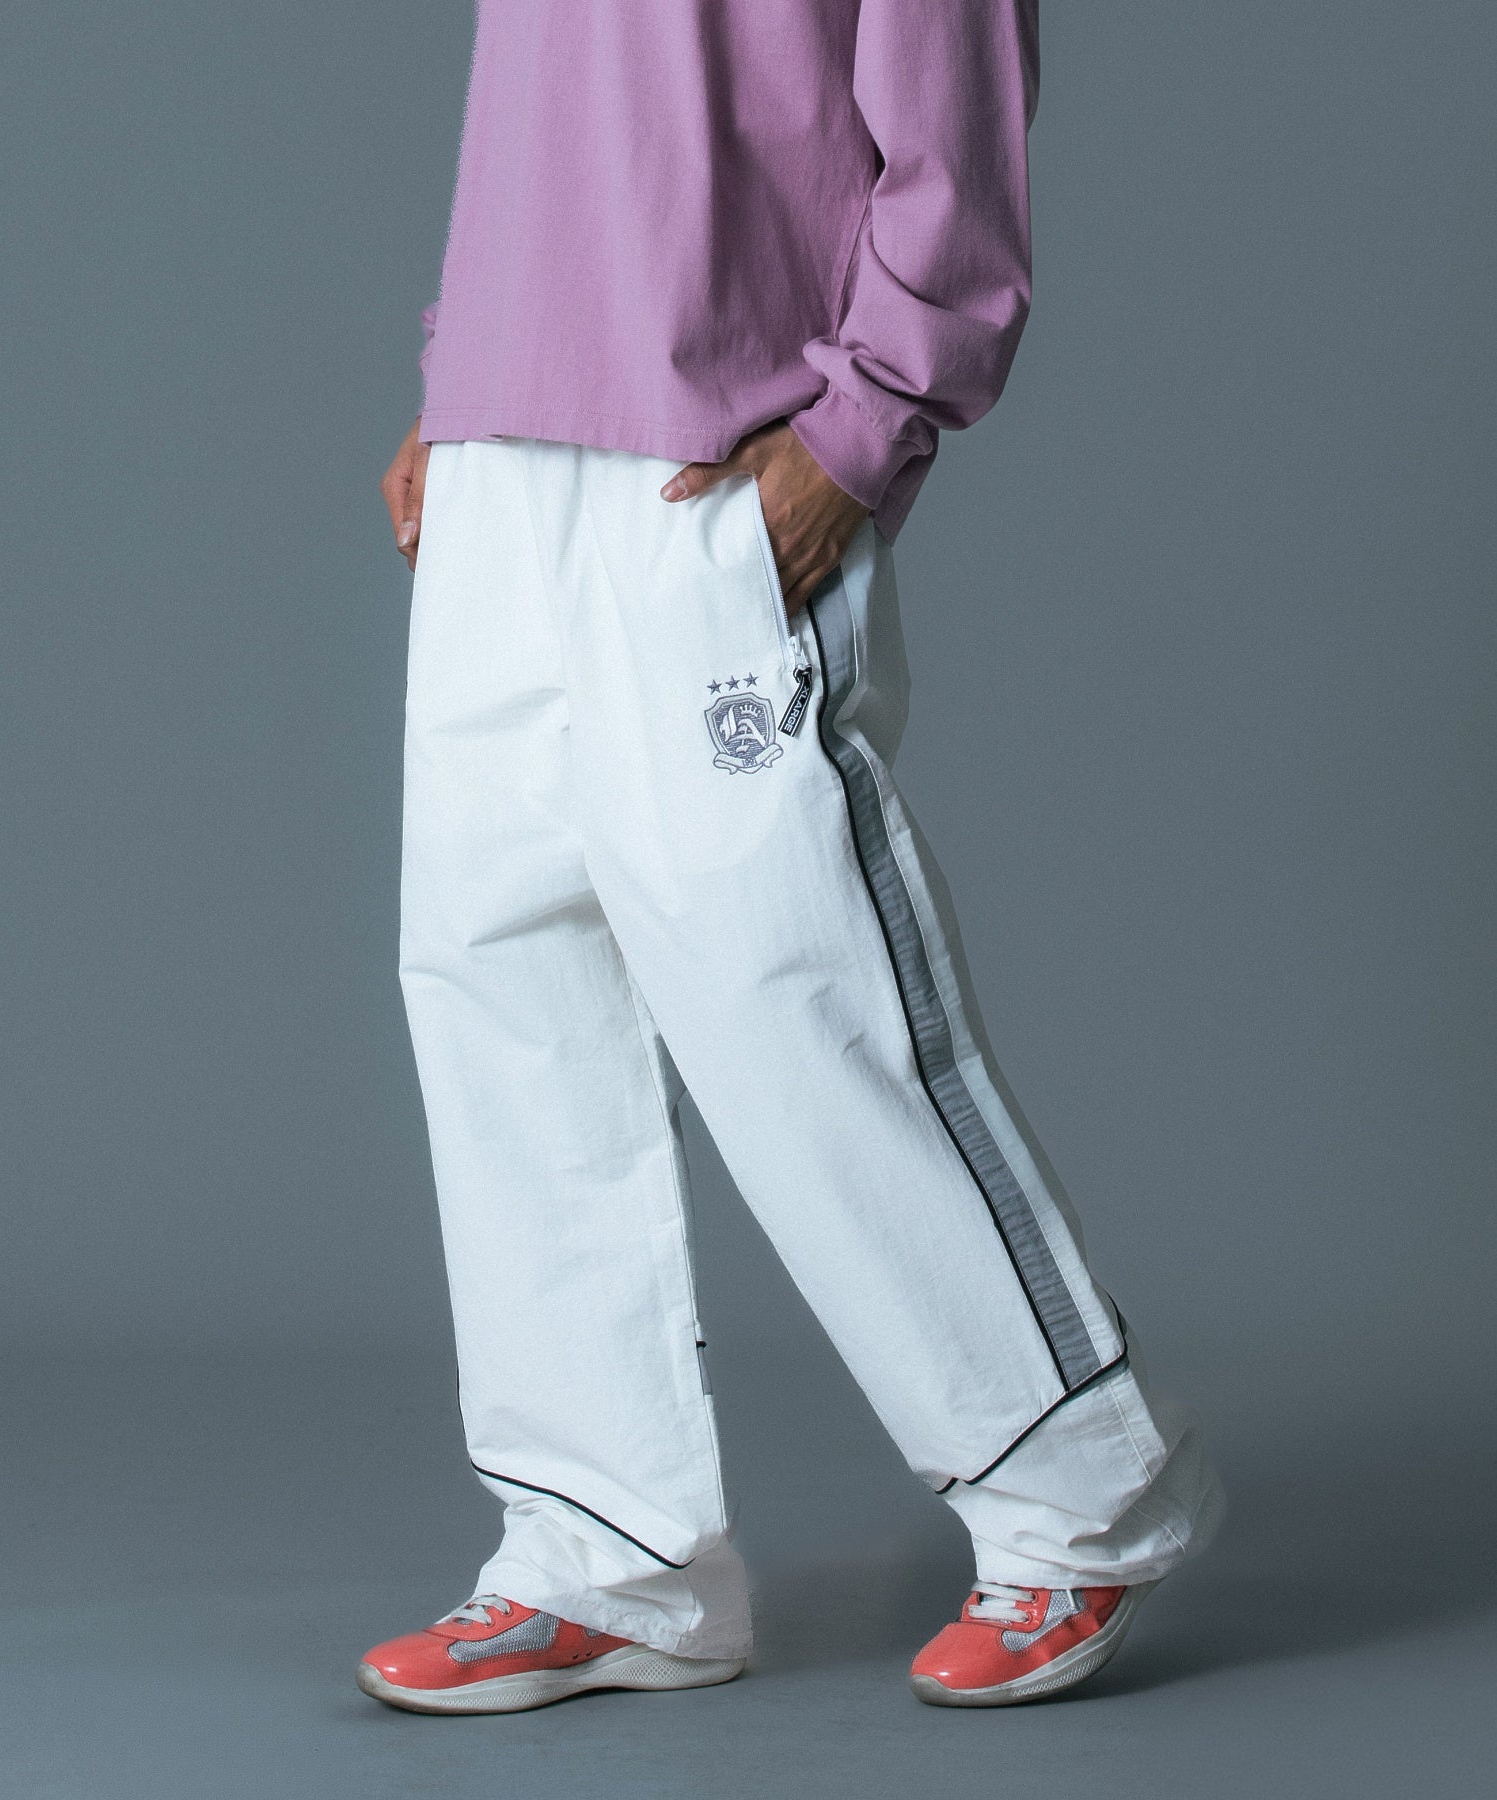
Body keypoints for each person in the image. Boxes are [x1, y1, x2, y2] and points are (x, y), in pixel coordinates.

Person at [358, 0, 1223, 1715]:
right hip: (508, 448)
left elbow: (953, 135)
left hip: (717, 448)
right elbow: (547, 101)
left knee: (790, 989)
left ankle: (1084, 1496)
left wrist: (863, 424)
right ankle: (604, 1550)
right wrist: (464, 375)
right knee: (500, 982)